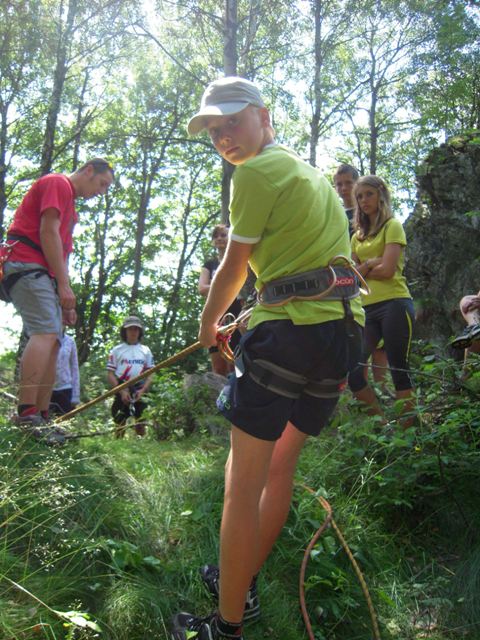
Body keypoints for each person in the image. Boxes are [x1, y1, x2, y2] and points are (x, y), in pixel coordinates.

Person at [171, 76, 364, 640]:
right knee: (280, 469)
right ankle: (242, 580)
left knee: (243, 481)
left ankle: (226, 625)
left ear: (264, 114)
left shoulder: (253, 173)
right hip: (340, 334)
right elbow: (301, 269)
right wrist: (259, 309)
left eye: (232, 121)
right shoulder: (310, 176)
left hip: (287, 338)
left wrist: (208, 325)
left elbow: (234, 267)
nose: (223, 136)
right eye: (213, 129)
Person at [2, 158, 114, 427]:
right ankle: (26, 413)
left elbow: (60, 252)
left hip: (43, 273)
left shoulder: (71, 208)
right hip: (27, 263)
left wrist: (65, 300)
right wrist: (63, 286)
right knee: (45, 333)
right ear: (88, 170)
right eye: (101, 184)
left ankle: (42, 415)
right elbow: (48, 232)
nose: (101, 192)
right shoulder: (58, 183)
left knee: (54, 340)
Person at [347, 175, 415, 421]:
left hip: (395, 303)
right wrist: (370, 264)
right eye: (359, 197)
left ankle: (409, 432)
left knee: (398, 369)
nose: (364, 200)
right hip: (366, 310)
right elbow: (353, 278)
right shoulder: (356, 237)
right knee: (354, 371)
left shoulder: (392, 226)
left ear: (381, 196)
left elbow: (388, 271)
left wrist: (363, 269)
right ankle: (383, 425)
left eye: (369, 194)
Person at [333, 163, 390, 392]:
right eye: (339, 184)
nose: (343, 188)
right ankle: (361, 388)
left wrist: (370, 265)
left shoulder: (373, 214)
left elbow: (385, 252)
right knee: (358, 333)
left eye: (348, 183)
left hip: (379, 284)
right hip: (347, 281)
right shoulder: (335, 215)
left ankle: (382, 388)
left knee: (380, 342)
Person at [198, 224, 243, 376]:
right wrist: (226, 283)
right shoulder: (209, 265)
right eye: (216, 236)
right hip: (215, 315)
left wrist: (217, 284)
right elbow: (202, 288)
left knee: (235, 363)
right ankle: (219, 391)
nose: (219, 238)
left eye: (223, 235)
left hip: (237, 315)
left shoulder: (238, 260)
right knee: (218, 367)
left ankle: (236, 390)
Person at [107, 316, 154, 438]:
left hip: (140, 387)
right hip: (121, 385)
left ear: (140, 331)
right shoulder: (116, 350)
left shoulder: (146, 350)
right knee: (119, 420)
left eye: (136, 329)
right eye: (130, 329)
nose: (133, 332)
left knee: (141, 422)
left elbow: (150, 374)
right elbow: (110, 374)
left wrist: (143, 390)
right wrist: (121, 391)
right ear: (125, 331)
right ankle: (117, 445)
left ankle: (141, 445)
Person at [49, 331, 80, 416]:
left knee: (64, 421)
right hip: (47, 390)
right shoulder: (44, 339)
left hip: (66, 390)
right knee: (46, 421)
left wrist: (75, 396)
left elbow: (74, 368)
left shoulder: (70, 341)